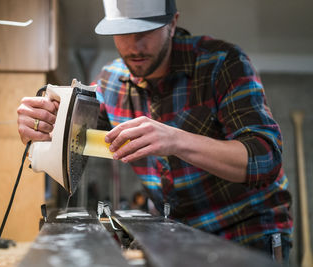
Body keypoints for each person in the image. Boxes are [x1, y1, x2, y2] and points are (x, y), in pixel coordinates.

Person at [17, 0, 292, 263]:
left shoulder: (222, 64)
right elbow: (74, 142)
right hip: (172, 233)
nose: (134, 46)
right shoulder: (110, 82)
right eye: (123, 33)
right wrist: (41, 128)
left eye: (145, 31)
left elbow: (265, 159)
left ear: (172, 23)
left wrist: (176, 140)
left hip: (245, 230)